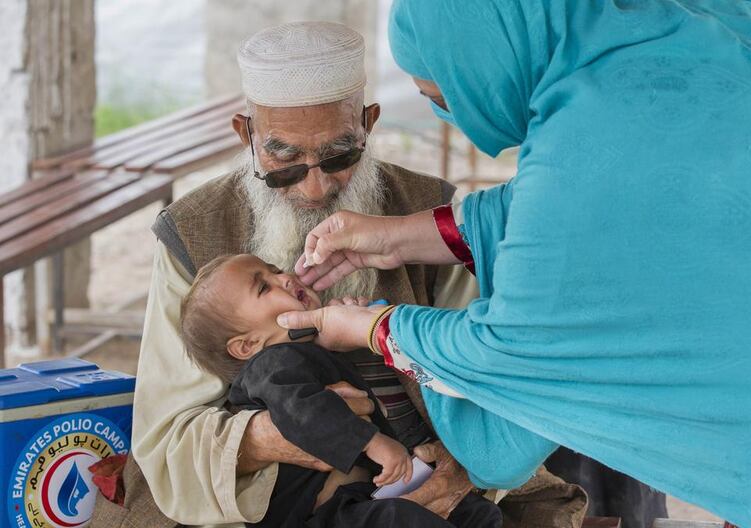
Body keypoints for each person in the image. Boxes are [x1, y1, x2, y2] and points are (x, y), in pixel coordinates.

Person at [275, 2, 751, 527]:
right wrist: (398, 238)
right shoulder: (691, 25)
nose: (448, 116)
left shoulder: (592, 122)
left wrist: (376, 327)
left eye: (442, 97)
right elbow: (612, 196)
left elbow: (512, 363)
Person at [130, 21, 587, 528]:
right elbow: (166, 436)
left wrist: (453, 472)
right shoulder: (192, 231)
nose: (314, 187)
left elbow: (488, 378)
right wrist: (271, 436)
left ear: (368, 124)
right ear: (247, 135)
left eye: (338, 155)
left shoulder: (428, 208)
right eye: (284, 158)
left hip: (433, 470)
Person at [178, 253, 503, 528]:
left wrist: (358, 325)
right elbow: (302, 411)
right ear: (247, 345)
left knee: (476, 513)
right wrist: (372, 442)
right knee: (399, 519)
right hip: (323, 513)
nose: (285, 279)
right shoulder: (269, 366)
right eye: (264, 287)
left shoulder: (307, 351)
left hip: (361, 497)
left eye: (276, 271)